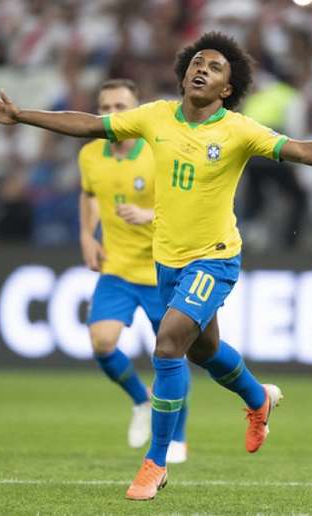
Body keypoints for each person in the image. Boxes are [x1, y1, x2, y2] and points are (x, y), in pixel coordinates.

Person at [0, 31, 312, 502]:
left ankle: (155, 462)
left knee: (168, 347)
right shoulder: (155, 116)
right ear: (184, 73)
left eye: (215, 67)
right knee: (204, 352)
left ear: (227, 88)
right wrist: (20, 115)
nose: (201, 69)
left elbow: (303, 150)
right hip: (167, 260)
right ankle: (258, 399)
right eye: (196, 63)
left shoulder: (238, 130)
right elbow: (87, 124)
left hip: (215, 258)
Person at [78, 78, 189, 461]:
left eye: (120, 107)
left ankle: (177, 438)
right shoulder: (91, 154)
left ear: (137, 110)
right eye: (105, 107)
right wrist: (87, 235)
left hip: (164, 269)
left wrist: (148, 214)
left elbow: (188, 207)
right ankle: (142, 400)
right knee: (102, 343)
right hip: (118, 268)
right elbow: (89, 194)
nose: (111, 115)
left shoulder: (159, 152)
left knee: (171, 356)